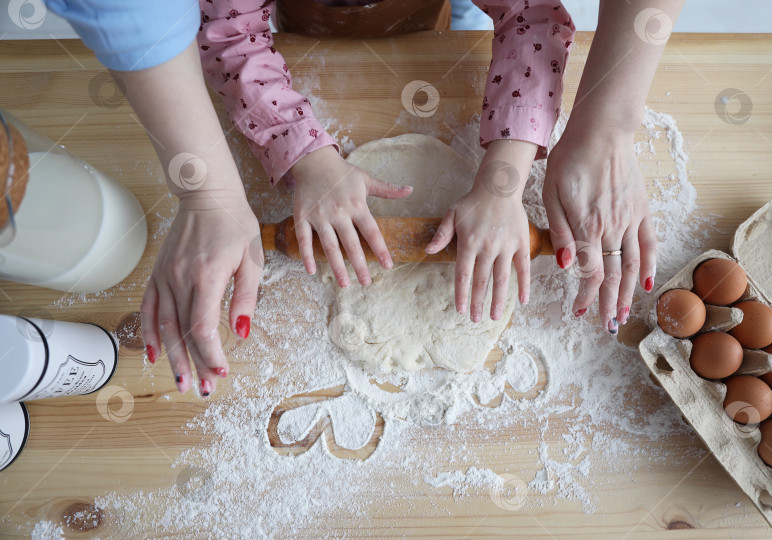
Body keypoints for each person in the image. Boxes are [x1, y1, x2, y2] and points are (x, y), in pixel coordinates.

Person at [43, 0, 681, 397]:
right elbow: (234, 32)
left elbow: (530, 16)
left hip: (432, 21)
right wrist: (308, 157)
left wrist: (504, 178)